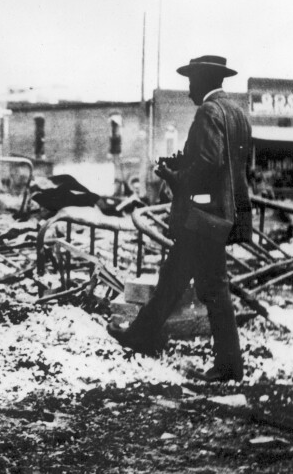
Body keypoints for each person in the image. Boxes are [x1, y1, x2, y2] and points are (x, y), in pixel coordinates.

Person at [107, 55, 253, 382]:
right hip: (222, 214)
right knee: (174, 277)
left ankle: (229, 365)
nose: (188, 89)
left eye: (191, 81)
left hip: (203, 216)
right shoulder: (238, 114)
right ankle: (143, 335)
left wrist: (175, 176)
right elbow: (240, 169)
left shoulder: (208, 112)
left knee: (211, 287)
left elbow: (207, 164)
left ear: (202, 80)